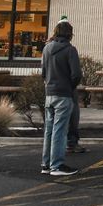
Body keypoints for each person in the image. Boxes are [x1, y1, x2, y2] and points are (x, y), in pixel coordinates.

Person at [40, 21, 82, 177]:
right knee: (60, 130)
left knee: (49, 130)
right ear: (70, 34)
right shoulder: (70, 50)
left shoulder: (46, 49)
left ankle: (46, 163)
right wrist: (70, 87)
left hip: (49, 94)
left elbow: (43, 72)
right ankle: (56, 165)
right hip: (64, 94)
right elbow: (76, 74)